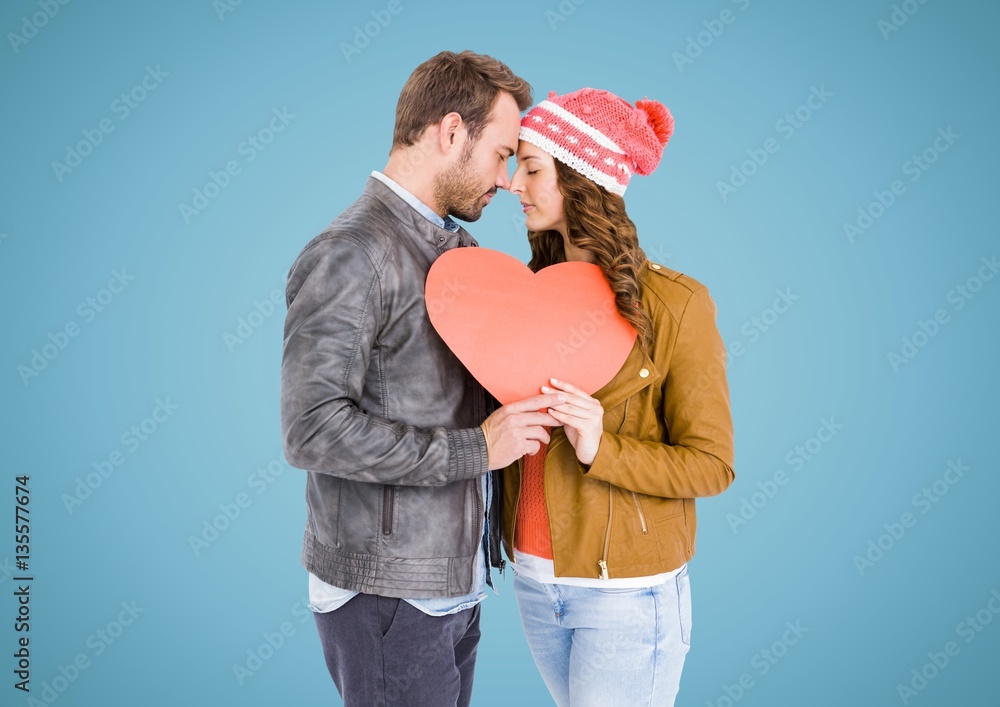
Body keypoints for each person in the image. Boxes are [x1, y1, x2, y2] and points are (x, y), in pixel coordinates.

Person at [280, 50, 565, 707]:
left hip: (451, 582)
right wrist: (476, 450)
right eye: (501, 154)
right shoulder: (351, 253)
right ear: (450, 132)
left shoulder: (459, 253)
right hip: (388, 592)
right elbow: (311, 428)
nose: (506, 179)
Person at [501, 88, 736, 706]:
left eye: (531, 168)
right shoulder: (524, 296)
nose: (512, 183)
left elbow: (712, 466)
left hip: (627, 594)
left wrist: (602, 446)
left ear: (579, 179)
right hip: (533, 580)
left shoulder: (676, 305)